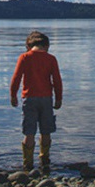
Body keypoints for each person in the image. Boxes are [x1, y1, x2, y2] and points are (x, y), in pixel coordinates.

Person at [10, 31, 63, 172]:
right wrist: (58, 98)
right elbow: (57, 81)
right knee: (46, 131)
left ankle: (28, 164)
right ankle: (44, 159)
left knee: (29, 133)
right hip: (46, 99)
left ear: (28, 46)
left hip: (29, 99)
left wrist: (13, 95)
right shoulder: (51, 59)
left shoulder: (24, 57)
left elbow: (16, 78)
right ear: (46, 45)